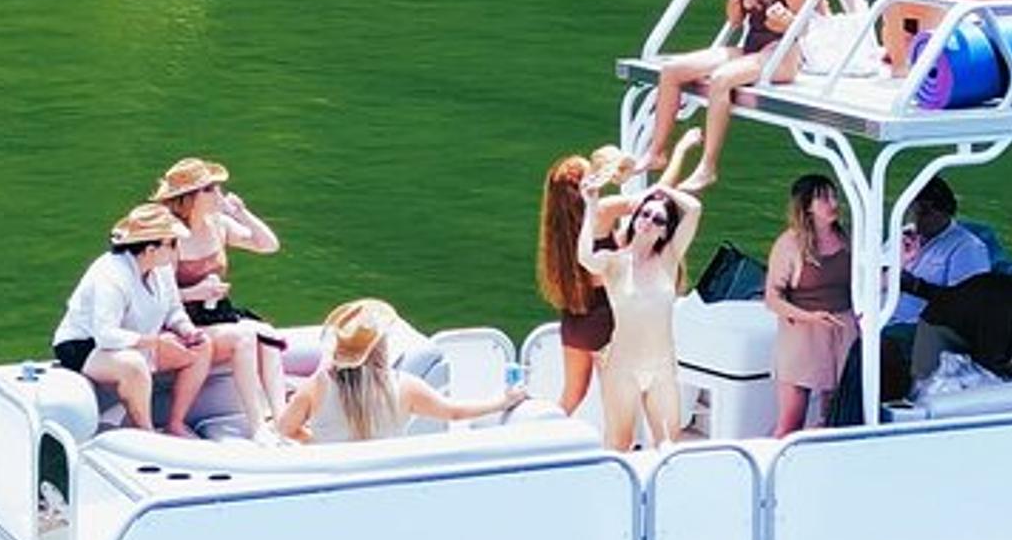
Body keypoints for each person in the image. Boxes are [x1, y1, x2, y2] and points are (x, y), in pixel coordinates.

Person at [642, 0, 812, 192]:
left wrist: (784, 21)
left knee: (722, 79)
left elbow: (803, 28)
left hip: (781, 54)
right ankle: (657, 152)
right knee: (672, 70)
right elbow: (735, 20)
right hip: (752, 46)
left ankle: (708, 166)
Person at [537, 129, 701, 414]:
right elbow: (657, 194)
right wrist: (681, 151)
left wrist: (640, 165)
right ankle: (620, 453)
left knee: (572, 395)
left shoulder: (559, 235)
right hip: (605, 317)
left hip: (575, 319)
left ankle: (540, 435)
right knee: (617, 404)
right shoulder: (600, 211)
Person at [154, 156, 287, 443]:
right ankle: (257, 425)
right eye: (210, 189)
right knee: (243, 338)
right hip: (182, 320)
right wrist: (195, 293)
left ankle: (282, 417)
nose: (219, 194)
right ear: (189, 198)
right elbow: (158, 296)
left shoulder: (218, 224)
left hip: (217, 314)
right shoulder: (171, 237)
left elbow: (269, 245)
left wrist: (242, 213)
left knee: (268, 335)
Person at [50, 203, 212, 437]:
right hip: (85, 346)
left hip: (137, 341)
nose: (178, 251)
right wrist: (154, 342)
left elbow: (173, 309)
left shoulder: (161, 268)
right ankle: (145, 433)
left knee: (202, 347)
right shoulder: (111, 276)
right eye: (172, 243)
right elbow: (105, 334)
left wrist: (187, 330)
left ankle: (174, 424)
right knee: (133, 364)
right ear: (150, 249)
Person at [277, 298, 526, 443]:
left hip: (332, 482)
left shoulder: (317, 386)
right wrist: (503, 401)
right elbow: (455, 412)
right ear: (383, 346)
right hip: (384, 479)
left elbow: (285, 429)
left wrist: (316, 441)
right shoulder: (405, 386)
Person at [577, 181, 704, 449]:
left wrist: (661, 188)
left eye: (658, 219)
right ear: (635, 218)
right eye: (645, 214)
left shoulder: (669, 258)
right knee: (619, 444)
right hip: (622, 366)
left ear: (664, 231)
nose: (649, 220)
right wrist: (589, 207)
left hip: (662, 367)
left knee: (669, 444)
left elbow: (694, 208)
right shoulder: (614, 262)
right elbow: (585, 257)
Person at [764, 174, 857, 435]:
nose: (833, 203)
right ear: (807, 206)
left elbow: (865, 282)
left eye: (834, 196)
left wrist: (903, 260)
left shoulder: (848, 239)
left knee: (835, 418)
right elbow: (772, 298)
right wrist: (810, 317)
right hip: (801, 334)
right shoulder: (789, 244)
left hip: (842, 331)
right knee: (791, 422)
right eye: (824, 198)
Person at [893, 177, 992, 324]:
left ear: (945, 211)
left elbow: (969, 303)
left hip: (919, 327)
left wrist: (915, 286)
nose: (916, 218)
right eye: (912, 210)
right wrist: (900, 261)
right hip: (881, 317)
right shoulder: (903, 235)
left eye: (924, 212)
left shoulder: (967, 248)